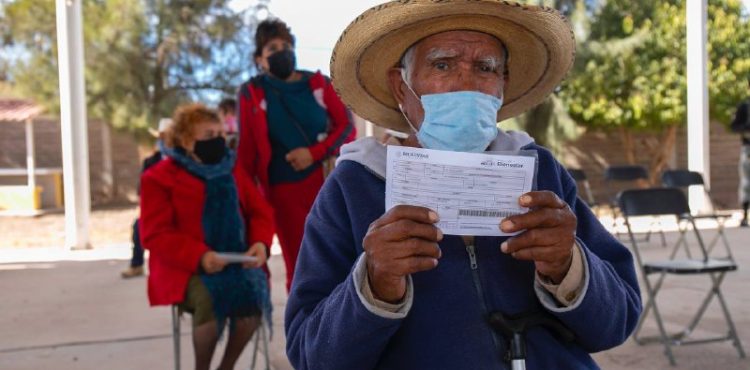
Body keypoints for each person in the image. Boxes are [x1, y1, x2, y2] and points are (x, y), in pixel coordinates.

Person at [285, 1, 642, 369]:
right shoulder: (354, 186)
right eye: (442, 64)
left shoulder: (541, 172)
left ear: (502, 86)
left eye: (486, 68)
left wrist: (568, 264)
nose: (467, 83)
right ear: (401, 85)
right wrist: (375, 283)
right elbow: (312, 356)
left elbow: (615, 325)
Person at [140, 103, 274, 370]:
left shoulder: (233, 170)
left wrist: (259, 243)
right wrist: (200, 257)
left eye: (221, 134)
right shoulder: (158, 177)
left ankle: (226, 366)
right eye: (209, 135)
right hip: (187, 268)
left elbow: (262, 212)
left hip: (237, 261)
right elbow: (155, 234)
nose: (219, 141)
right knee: (210, 299)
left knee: (251, 298)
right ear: (188, 141)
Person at [236, 18, 356, 291]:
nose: (282, 51)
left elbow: (347, 128)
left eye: (286, 45)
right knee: (299, 265)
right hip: (281, 194)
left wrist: (313, 153)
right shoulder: (252, 93)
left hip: (326, 185)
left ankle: (340, 327)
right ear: (259, 59)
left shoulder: (318, 84)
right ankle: (302, 330)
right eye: (272, 48)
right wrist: (244, 201)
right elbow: (246, 153)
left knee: (339, 259)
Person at [121, 118, 173, 279]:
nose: (165, 140)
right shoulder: (150, 162)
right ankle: (137, 264)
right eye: (163, 136)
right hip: (156, 207)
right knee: (139, 227)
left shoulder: (186, 160)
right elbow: (143, 190)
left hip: (178, 206)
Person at [730, 78, 750, 227]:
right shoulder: (745, 107)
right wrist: (746, 127)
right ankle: (745, 214)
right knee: (747, 183)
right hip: (748, 149)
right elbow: (734, 126)